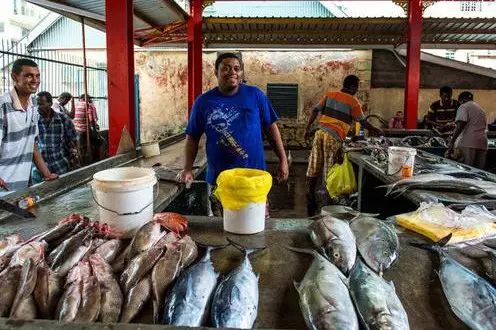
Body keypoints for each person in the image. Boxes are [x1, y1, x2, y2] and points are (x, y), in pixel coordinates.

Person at [179, 52, 288, 199]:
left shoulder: (256, 95)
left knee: (255, 221)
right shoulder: (203, 102)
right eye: (226, 68)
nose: (232, 72)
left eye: (237, 69)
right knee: (222, 221)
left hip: (253, 178)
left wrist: (283, 160)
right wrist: (187, 169)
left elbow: (271, 128)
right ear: (216, 72)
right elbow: (192, 137)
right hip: (220, 179)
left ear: (241, 72)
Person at [304, 75, 382, 216]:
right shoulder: (353, 102)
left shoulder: (330, 94)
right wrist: (376, 130)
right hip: (333, 137)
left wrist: (307, 129)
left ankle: (309, 195)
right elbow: (363, 121)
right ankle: (328, 203)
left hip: (319, 133)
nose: (357, 90)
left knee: (314, 166)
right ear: (352, 86)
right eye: (356, 87)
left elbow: (315, 110)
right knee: (330, 170)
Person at [0, 58, 57, 195]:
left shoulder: (33, 105)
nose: (35, 80)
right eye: (28, 75)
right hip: (3, 190)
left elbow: (32, 144)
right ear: (14, 77)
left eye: (37, 76)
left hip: (21, 187)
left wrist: (47, 174)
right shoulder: (3, 106)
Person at [32, 91, 80, 184]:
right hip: (38, 169)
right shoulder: (33, 121)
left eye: (41, 104)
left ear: (50, 104)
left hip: (60, 165)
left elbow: (74, 139)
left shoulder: (62, 119)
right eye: (36, 104)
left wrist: (76, 156)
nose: (38, 107)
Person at [446, 91, 488, 169]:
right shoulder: (481, 109)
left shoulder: (464, 106)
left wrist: (452, 142)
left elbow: (460, 125)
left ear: (461, 100)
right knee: (479, 172)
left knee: (467, 170)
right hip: (482, 143)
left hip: (468, 143)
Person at [73, 94, 100, 163]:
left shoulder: (76, 104)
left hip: (76, 130)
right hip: (84, 130)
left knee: (80, 148)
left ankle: (81, 162)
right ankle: (96, 159)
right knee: (99, 142)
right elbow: (92, 120)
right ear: (87, 99)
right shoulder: (89, 105)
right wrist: (95, 130)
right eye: (89, 99)